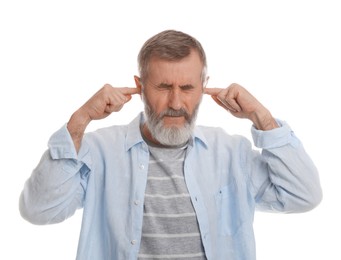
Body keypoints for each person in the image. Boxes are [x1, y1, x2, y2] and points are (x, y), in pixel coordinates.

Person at [19, 29, 322, 260]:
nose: (176, 103)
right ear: (139, 88)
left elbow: (303, 195)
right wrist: (77, 125)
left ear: (204, 87)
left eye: (188, 87)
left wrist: (262, 118)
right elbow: (37, 210)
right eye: (163, 87)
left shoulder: (232, 153)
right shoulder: (100, 153)